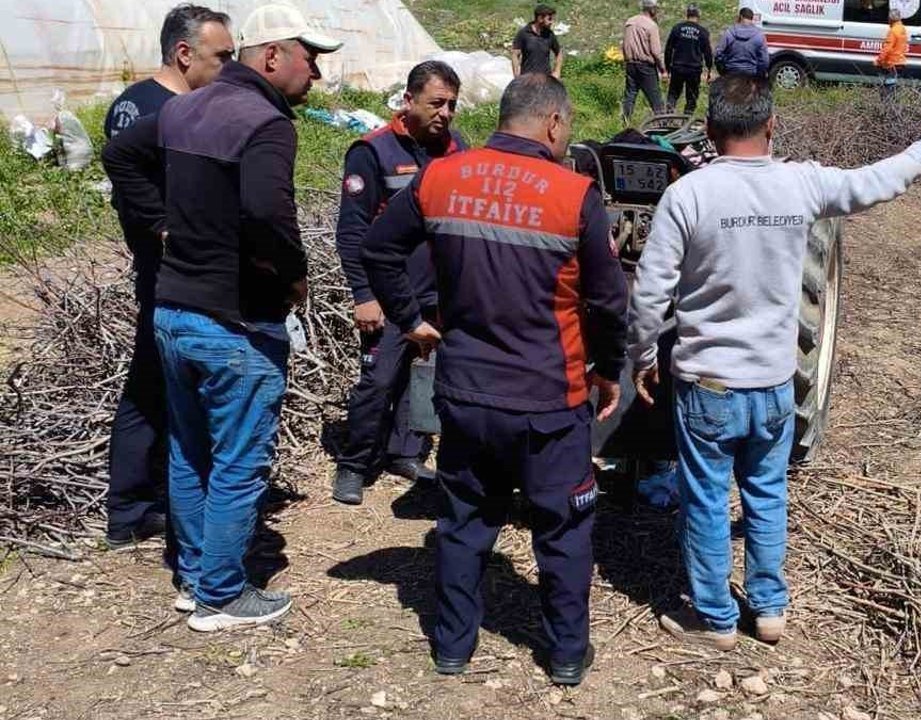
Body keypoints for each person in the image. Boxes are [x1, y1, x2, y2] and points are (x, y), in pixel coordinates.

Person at [628, 75, 921, 649]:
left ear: (710, 131)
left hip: (708, 385)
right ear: (771, 125)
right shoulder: (801, 183)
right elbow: (875, 181)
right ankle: (769, 610)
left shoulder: (688, 194)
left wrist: (642, 355)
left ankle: (714, 619)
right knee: (767, 493)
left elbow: (648, 293)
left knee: (707, 500)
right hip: (774, 385)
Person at [362, 74, 628, 685]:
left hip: (465, 393)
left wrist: (410, 319)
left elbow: (378, 249)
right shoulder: (574, 194)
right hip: (549, 399)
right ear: (554, 123)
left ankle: (452, 648)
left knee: (463, 521)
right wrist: (608, 369)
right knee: (563, 528)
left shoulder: (440, 177)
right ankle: (566, 654)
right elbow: (610, 301)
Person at [107, 3, 342, 631]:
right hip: (233, 323)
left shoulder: (182, 107)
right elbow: (267, 212)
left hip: (173, 310)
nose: (316, 73)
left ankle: (193, 578)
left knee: (189, 452)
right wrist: (293, 275)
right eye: (310, 58)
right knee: (238, 460)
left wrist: (161, 226)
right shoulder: (265, 121)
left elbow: (120, 156)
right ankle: (220, 594)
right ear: (273, 55)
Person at [100, 4, 234, 552]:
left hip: (179, 270)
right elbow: (131, 187)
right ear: (184, 53)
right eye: (220, 56)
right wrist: (163, 230)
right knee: (153, 384)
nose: (227, 67)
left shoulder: (172, 105)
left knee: (157, 383)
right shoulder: (148, 109)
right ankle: (132, 508)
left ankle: (146, 502)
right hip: (168, 274)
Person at [330, 61, 467, 506]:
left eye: (451, 104)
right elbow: (353, 231)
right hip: (389, 295)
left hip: (439, 292)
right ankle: (354, 464)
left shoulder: (458, 149)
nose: (445, 113)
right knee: (378, 380)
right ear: (408, 101)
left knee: (422, 375)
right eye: (436, 103)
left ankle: (405, 452)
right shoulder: (372, 152)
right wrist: (363, 294)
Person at [104, 4, 235, 140]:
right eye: (223, 56)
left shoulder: (126, 99)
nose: (231, 65)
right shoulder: (187, 118)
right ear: (184, 54)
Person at [622, 0, 668, 125]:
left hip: (630, 64)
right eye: (656, 9)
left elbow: (625, 44)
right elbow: (656, 51)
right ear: (652, 9)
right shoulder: (651, 26)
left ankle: (625, 122)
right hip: (645, 65)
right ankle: (663, 124)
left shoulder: (630, 22)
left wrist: (626, 60)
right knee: (655, 98)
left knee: (630, 95)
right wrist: (662, 69)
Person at [664, 4, 713, 115]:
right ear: (698, 15)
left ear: (687, 14)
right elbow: (708, 53)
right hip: (694, 69)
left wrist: (667, 68)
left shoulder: (677, 28)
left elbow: (668, 49)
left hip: (678, 67)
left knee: (673, 94)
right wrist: (709, 69)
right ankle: (686, 118)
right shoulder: (703, 32)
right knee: (692, 98)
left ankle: (669, 114)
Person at [714, 7, 770, 78]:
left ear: (740, 17)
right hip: (751, 73)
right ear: (752, 18)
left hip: (731, 71)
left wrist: (722, 70)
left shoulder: (729, 32)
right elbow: (764, 59)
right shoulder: (759, 35)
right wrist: (759, 73)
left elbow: (718, 53)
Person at [511, 4, 562, 78]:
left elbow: (559, 53)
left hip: (545, 79)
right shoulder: (524, 33)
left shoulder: (550, 34)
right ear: (540, 18)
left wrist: (557, 71)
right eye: (549, 19)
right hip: (527, 78)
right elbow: (515, 54)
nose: (551, 22)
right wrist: (516, 75)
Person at [874, 9, 908, 100]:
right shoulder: (902, 29)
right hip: (900, 61)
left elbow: (887, 48)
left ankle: (887, 106)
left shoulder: (893, 31)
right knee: (893, 87)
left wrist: (879, 60)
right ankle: (893, 105)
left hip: (892, 63)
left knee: (887, 89)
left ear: (890, 18)